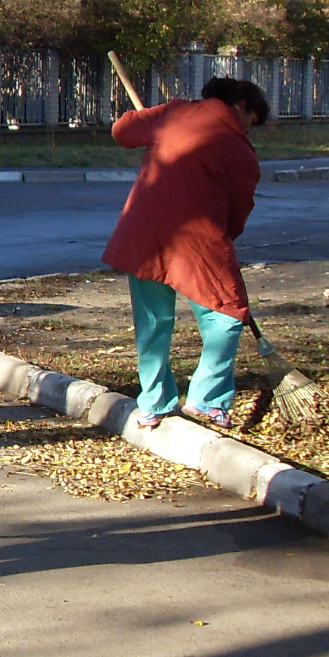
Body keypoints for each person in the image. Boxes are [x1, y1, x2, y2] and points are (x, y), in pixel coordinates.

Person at [101, 75, 269, 430]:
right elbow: (238, 210)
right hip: (197, 242)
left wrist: (152, 118)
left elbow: (122, 131)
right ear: (241, 106)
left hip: (143, 233)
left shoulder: (175, 113)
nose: (248, 130)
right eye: (251, 121)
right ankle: (207, 400)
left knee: (153, 322)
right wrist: (225, 238)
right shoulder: (240, 151)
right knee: (226, 314)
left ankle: (154, 404)